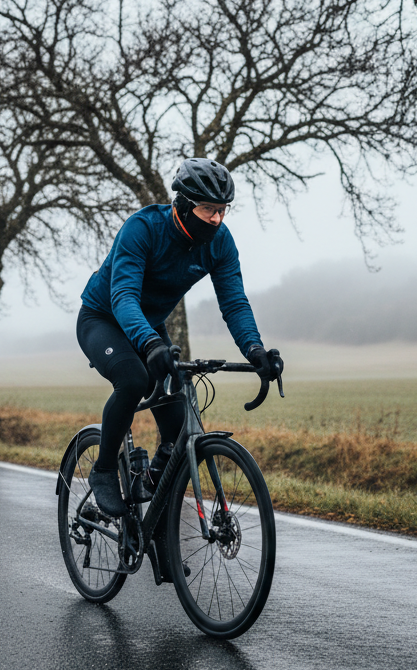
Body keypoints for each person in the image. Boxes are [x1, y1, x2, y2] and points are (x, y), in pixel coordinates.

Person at [76, 158, 283, 517]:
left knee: (177, 423)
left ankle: (153, 485)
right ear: (184, 205)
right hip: (103, 318)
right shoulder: (143, 228)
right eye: (209, 210)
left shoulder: (220, 243)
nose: (217, 219)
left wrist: (255, 349)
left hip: (148, 325)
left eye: (223, 210)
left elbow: (234, 302)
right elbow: (123, 296)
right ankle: (104, 469)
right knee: (134, 379)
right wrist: (150, 344)